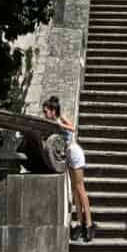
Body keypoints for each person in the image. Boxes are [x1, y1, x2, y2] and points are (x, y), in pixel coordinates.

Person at [42, 96, 94, 242]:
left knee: (80, 188)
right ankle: (79, 221)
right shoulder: (52, 122)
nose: (44, 114)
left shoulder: (59, 120)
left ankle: (89, 223)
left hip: (75, 153)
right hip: (68, 157)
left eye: (46, 111)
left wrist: (60, 125)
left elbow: (72, 128)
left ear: (53, 111)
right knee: (75, 192)